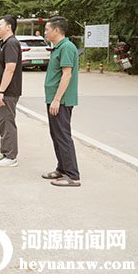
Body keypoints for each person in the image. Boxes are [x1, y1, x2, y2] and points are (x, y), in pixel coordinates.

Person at [42, 16, 80, 187]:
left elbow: (67, 74)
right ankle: (62, 168)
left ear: (56, 30)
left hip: (61, 100)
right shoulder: (58, 47)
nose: (45, 32)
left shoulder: (66, 47)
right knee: (56, 134)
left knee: (63, 136)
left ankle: (72, 175)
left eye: (47, 29)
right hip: (54, 99)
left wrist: (57, 99)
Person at [0, 15, 23, 167]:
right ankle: (4, 150)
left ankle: (10, 156)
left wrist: (1, 91)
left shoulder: (11, 43)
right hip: (3, 91)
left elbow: (10, 69)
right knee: (2, 121)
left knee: (7, 122)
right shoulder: (5, 43)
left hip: (8, 92)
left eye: (0, 25)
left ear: (9, 27)